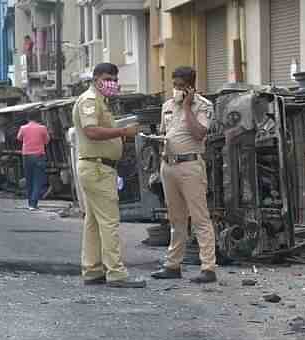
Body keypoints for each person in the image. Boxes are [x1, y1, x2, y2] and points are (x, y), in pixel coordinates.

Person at [72, 62, 145, 288]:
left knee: (93, 222)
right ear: (95, 79)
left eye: (114, 78)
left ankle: (93, 270)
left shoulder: (101, 101)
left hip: (98, 167)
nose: (111, 83)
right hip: (97, 168)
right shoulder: (90, 101)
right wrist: (123, 131)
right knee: (110, 222)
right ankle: (116, 273)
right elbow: (91, 131)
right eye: (107, 78)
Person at [151, 66, 217, 283]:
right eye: (175, 85)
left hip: (190, 166)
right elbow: (165, 134)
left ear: (191, 86)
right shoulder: (167, 106)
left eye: (181, 86)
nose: (177, 90)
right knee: (176, 218)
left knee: (199, 217)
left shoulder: (203, 106)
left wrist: (188, 107)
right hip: (168, 166)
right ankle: (173, 264)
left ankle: (208, 267)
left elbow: (199, 134)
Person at [17, 111, 49, 210]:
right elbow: (47, 140)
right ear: (38, 118)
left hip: (26, 155)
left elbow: (19, 138)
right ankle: (33, 204)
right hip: (39, 155)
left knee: (29, 179)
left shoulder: (23, 128)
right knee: (38, 179)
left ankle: (30, 202)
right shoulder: (42, 128)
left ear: (28, 118)